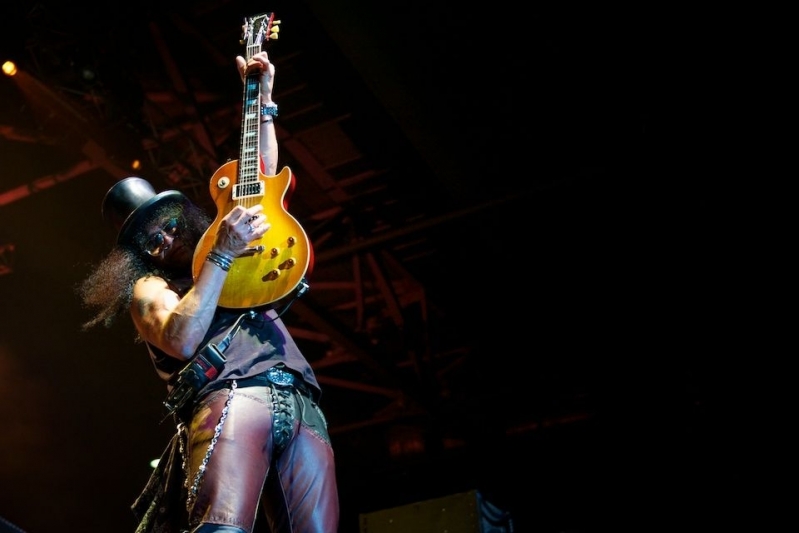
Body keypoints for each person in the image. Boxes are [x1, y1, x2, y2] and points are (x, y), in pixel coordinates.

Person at [77, 50, 339, 533]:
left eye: (170, 225)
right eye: (150, 240)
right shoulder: (149, 288)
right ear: (138, 255)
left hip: (300, 398)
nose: (165, 241)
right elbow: (180, 338)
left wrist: (261, 97)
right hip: (231, 396)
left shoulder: (230, 249)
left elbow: (261, 176)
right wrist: (218, 257)